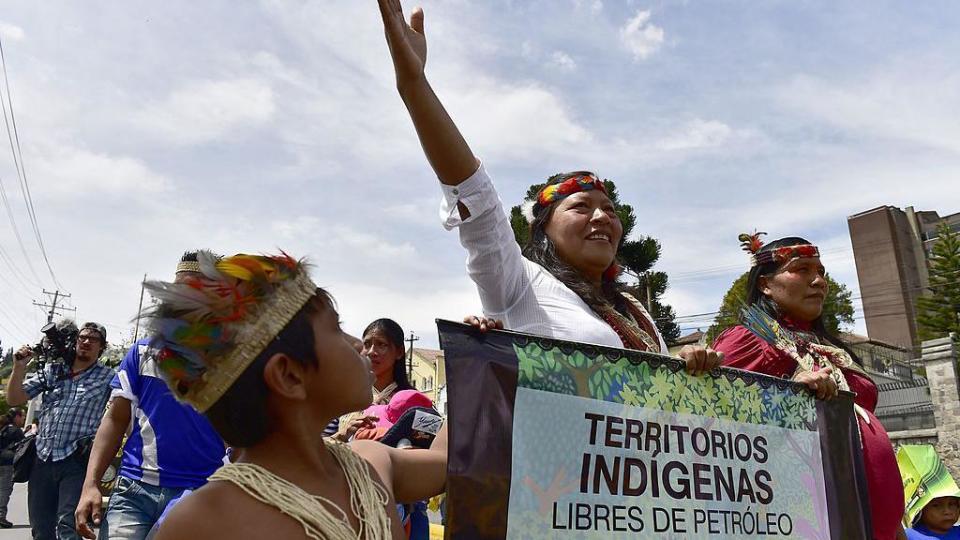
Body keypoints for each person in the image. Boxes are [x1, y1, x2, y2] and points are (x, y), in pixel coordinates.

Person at [377, 0, 720, 372]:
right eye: (581, 207)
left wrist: (686, 365)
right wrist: (414, 85)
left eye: (609, 209)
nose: (602, 216)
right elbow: (474, 192)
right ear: (543, 229)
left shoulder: (634, 311)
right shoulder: (518, 282)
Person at [139, 251, 447, 539]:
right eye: (336, 328)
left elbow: (448, 460)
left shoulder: (371, 462)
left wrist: (477, 357)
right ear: (288, 376)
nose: (358, 344)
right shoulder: (203, 522)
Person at [711, 233, 905, 540]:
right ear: (765, 284)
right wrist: (786, 392)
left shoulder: (831, 348)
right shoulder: (748, 340)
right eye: (802, 270)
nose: (818, 281)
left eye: (821, 272)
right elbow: (713, 420)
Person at [74, 252, 226, 540]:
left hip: (200, 495)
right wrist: (90, 484)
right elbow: (115, 419)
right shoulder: (143, 353)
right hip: (133, 493)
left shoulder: (232, 361)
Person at [6, 321, 114, 540]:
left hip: (76, 460)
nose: (86, 342)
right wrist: (19, 368)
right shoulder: (53, 370)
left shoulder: (108, 377)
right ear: (74, 341)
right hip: (42, 459)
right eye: (82, 337)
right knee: (41, 529)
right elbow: (14, 398)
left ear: (102, 347)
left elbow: (123, 411)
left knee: (68, 526)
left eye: (93, 340)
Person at [332, 318, 416, 443]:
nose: (371, 352)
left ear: (399, 352)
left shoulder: (413, 402)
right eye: (366, 344)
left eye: (381, 344)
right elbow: (316, 448)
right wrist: (343, 434)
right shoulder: (344, 399)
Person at [899, 444, 960, 540]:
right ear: (920, 510)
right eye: (936, 505)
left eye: (952, 504)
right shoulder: (908, 535)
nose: (947, 511)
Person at [0, 407, 26, 528]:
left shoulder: (3, 428)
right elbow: (24, 447)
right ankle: (1, 516)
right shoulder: (16, 431)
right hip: (8, 463)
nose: (23, 419)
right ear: (16, 417)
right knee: (5, 490)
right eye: (22, 416)